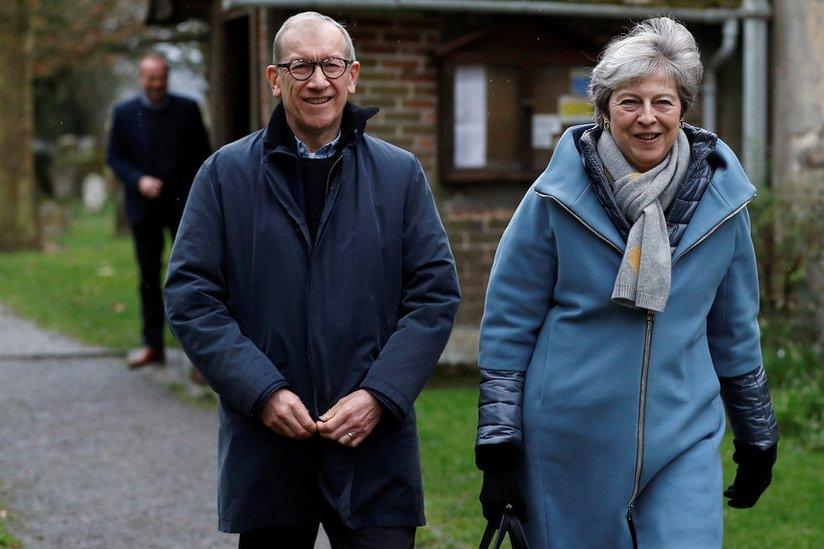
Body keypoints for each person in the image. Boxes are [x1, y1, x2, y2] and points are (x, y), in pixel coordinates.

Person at [475, 17, 779, 548]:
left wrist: (757, 435)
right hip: (569, 443)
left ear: (684, 108)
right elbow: (509, 322)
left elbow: (734, 328)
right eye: (629, 102)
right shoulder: (554, 198)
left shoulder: (723, 204)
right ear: (604, 108)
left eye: (663, 102)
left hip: (683, 435)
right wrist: (499, 443)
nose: (647, 119)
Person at [164, 11, 460, 548]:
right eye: (301, 66)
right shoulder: (224, 176)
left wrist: (378, 394)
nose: (318, 80)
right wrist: (262, 391)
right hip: (269, 449)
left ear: (353, 75)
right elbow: (192, 298)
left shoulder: (400, 176)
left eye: (331, 64)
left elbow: (434, 297)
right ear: (275, 79)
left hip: (374, 450)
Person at [107, 53, 212, 368]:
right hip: (144, 208)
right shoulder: (124, 113)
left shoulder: (187, 109)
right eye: (150, 78)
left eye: (161, 78)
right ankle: (153, 344)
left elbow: (203, 155)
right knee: (149, 276)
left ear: (167, 77)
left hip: (182, 206)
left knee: (190, 274)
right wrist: (138, 180)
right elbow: (114, 157)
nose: (156, 84)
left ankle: (196, 352)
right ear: (141, 78)